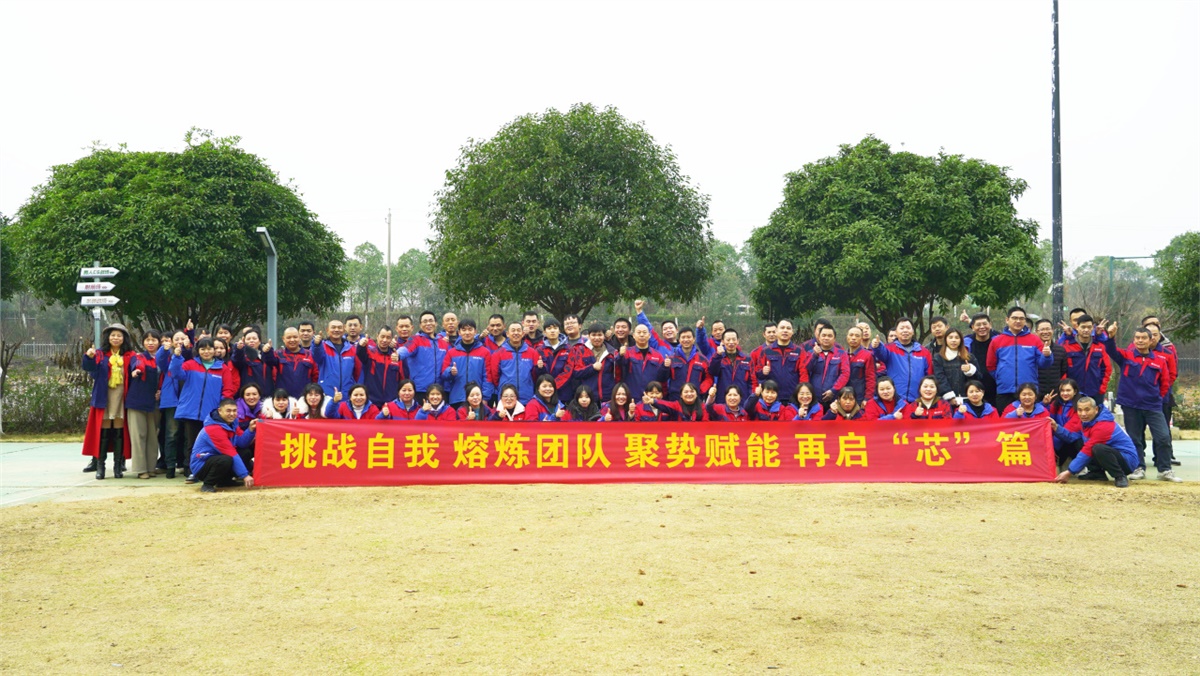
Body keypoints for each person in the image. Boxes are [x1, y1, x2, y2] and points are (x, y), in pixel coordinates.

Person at [1101, 322, 1180, 482]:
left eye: (1144, 338)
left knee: (1163, 437)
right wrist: (1111, 337)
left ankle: (1165, 470)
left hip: (1153, 406)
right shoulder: (1126, 356)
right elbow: (1111, 350)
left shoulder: (1160, 360)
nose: (1140, 340)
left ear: (1151, 341)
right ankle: (1138, 468)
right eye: (1137, 337)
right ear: (1134, 340)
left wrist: (1157, 398)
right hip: (1131, 405)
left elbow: (1165, 383)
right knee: (1134, 438)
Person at [82, 323, 134, 479]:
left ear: (124, 338)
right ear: (108, 338)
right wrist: (89, 357)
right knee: (103, 432)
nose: (116, 338)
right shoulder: (100, 354)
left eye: (119, 335)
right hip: (104, 397)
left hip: (122, 397)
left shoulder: (130, 356)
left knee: (119, 431)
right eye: (113, 335)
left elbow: (137, 371)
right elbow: (90, 370)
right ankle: (100, 466)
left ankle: (118, 466)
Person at [170, 337, 227, 477]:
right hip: (191, 412)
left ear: (214, 350)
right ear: (198, 350)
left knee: (210, 443)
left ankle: (206, 470)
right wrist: (176, 357)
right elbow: (176, 373)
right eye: (203, 349)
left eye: (209, 348)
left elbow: (227, 390)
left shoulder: (222, 368)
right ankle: (191, 471)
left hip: (211, 414)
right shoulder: (190, 364)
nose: (206, 352)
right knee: (191, 443)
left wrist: (220, 408)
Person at [1054, 397, 1140, 488]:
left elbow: (1087, 450)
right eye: (1080, 410)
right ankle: (1097, 473)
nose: (1083, 414)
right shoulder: (1086, 422)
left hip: (1127, 461)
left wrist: (1069, 472)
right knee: (1079, 441)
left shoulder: (1103, 425)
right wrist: (1056, 428)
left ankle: (1120, 476)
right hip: (1111, 454)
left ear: (1096, 409)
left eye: (1087, 410)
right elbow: (1072, 437)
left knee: (1097, 448)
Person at [986, 306, 1054, 414]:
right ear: (1007, 320)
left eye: (1022, 318)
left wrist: (1047, 356)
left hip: (1029, 391)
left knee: (1029, 421)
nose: (1018, 321)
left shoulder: (1034, 339)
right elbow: (990, 365)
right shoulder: (997, 341)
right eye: (1014, 318)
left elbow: (1044, 364)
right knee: (1006, 421)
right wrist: (1002, 378)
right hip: (1005, 391)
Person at [188, 398, 255, 494]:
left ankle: (225, 481)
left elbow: (241, 443)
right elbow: (231, 453)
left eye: (234, 411)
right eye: (228, 411)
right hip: (201, 465)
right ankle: (207, 484)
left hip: (216, 458)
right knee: (225, 459)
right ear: (220, 411)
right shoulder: (213, 429)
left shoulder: (232, 423)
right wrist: (245, 475)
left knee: (245, 452)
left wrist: (250, 429)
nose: (232, 414)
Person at [124, 329, 162, 479]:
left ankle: (151, 467)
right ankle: (141, 469)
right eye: (147, 340)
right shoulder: (138, 357)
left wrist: (160, 391)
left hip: (154, 403)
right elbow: (137, 366)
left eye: (154, 340)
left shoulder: (163, 358)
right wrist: (136, 371)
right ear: (143, 342)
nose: (150, 343)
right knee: (139, 435)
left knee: (153, 436)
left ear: (159, 342)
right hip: (137, 402)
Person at [870, 318, 933, 403]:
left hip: (917, 400)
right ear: (896, 332)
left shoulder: (924, 352)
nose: (905, 330)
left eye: (908, 328)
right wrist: (877, 346)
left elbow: (929, 375)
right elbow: (881, 353)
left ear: (913, 331)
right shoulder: (890, 349)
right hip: (895, 399)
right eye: (902, 328)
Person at [154, 329, 188, 475]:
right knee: (171, 434)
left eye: (182, 338)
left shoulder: (191, 355)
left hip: (187, 400)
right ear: (172, 342)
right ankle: (170, 466)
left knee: (187, 434)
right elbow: (159, 359)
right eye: (176, 339)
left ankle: (186, 464)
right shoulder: (168, 358)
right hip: (171, 400)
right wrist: (164, 349)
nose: (180, 341)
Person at [441, 318, 492, 407]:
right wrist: (450, 371)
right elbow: (443, 374)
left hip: (477, 398)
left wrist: (485, 397)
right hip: (457, 398)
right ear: (459, 332)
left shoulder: (484, 352)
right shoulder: (452, 352)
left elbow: (487, 377)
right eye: (464, 330)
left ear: (475, 331)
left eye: (470, 329)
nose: (467, 333)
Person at [487, 322, 542, 404]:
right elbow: (495, 376)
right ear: (507, 334)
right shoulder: (498, 353)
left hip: (527, 397)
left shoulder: (532, 352)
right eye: (513, 330)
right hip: (506, 398)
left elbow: (535, 375)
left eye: (518, 330)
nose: (516, 333)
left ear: (523, 333)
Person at [1060, 314, 1111, 401]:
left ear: (1093, 328)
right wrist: (1065, 388)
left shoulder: (1100, 346)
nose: (1086, 330)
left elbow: (1107, 369)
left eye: (1089, 327)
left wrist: (1102, 388)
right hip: (1073, 392)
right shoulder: (1067, 346)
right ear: (1077, 327)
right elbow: (1062, 369)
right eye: (1083, 327)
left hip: (1095, 392)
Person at [752, 319, 804, 404]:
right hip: (771, 397)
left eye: (788, 328)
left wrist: (801, 393)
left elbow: (803, 374)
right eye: (782, 328)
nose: (785, 330)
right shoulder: (766, 351)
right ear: (776, 331)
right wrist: (763, 372)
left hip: (793, 397)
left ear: (792, 332)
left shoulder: (799, 351)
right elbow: (757, 374)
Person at [566, 323, 619, 402]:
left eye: (599, 335)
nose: (597, 338)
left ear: (604, 336)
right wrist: (592, 368)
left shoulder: (612, 352)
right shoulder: (581, 350)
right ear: (588, 336)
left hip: (607, 397)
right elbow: (576, 372)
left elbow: (617, 374)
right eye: (593, 335)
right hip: (587, 397)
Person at [311, 318, 359, 402]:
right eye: (333, 327)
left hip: (347, 394)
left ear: (344, 330)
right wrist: (317, 345)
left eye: (339, 327)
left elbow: (357, 371)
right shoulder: (322, 346)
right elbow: (317, 357)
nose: (336, 330)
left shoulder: (351, 348)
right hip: (327, 394)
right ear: (327, 330)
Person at [619, 324, 670, 400]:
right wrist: (620, 355)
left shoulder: (657, 355)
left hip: (651, 397)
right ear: (634, 336)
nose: (642, 335)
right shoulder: (627, 353)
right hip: (632, 397)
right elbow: (619, 367)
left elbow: (662, 378)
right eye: (639, 332)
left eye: (644, 332)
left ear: (649, 335)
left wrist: (666, 367)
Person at [802, 325, 849, 406]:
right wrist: (815, 355)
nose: (826, 338)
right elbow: (807, 369)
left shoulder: (842, 354)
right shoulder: (810, 353)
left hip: (834, 398)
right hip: (813, 398)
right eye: (823, 335)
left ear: (834, 339)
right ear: (819, 338)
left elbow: (845, 374)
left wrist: (833, 390)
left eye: (829, 336)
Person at [357, 327, 403, 408]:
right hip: (371, 401)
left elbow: (402, 378)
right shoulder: (370, 353)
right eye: (382, 336)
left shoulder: (396, 356)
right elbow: (360, 353)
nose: (384, 340)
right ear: (377, 336)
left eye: (388, 338)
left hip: (391, 402)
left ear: (391, 340)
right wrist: (361, 345)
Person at [664, 327, 712, 403]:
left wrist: (700, 390)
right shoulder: (671, 359)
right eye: (683, 337)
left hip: (695, 400)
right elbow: (662, 378)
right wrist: (664, 367)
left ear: (694, 339)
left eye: (689, 337)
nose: (686, 340)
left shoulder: (703, 360)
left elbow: (709, 378)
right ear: (679, 340)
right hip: (675, 400)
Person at [962, 312, 1000, 405]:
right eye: (978, 325)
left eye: (984, 324)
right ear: (972, 327)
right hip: (974, 389)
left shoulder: (998, 340)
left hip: (996, 387)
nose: (982, 327)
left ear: (990, 325)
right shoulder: (966, 343)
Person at [932, 328, 979, 403]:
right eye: (950, 337)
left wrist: (970, 370)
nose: (953, 340)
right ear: (946, 339)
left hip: (967, 399)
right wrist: (950, 396)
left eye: (957, 338)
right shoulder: (938, 358)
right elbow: (940, 378)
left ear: (961, 340)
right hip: (946, 400)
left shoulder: (969, 357)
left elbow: (979, 377)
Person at [707, 328, 753, 402]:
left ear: (738, 341)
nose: (731, 342)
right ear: (723, 341)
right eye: (728, 340)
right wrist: (718, 355)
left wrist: (751, 399)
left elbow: (752, 381)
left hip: (742, 400)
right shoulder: (718, 358)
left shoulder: (747, 359)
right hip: (723, 400)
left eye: (734, 339)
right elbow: (712, 372)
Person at [1049, 379, 1084, 469]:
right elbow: (1045, 418)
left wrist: (1051, 449)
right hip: (1059, 439)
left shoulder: (1080, 407)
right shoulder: (1056, 403)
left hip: (1072, 441)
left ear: (1075, 391)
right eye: (1062, 390)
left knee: (1077, 442)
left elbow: (1071, 434)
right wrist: (1044, 404)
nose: (1065, 393)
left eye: (1068, 390)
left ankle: (1080, 466)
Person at [275, 327, 319, 399]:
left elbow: (316, 377)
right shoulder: (277, 355)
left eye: (295, 337)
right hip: (283, 399)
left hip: (305, 398)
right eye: (289, 337)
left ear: (299, 337)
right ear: (283, 339)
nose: (292, 340)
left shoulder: (310, 355)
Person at [231, 328, 276, 396]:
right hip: (248, 396)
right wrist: (239, 350)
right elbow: (237, 360)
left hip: (266, 396)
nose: (251, 341)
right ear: (244, 341)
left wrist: (268, 352)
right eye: (248, 339)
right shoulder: (242, 357)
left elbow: (272, 362)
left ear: (259, 341)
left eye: (254, 338)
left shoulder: (265, 356)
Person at [537, 318, 573, 402]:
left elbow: (568, 371)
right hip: (545, 393)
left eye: (555, 328)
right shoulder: (539, 350)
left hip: (564, 392)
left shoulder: (568, 349)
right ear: (544, 332)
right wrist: (540, 368)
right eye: (549, 329)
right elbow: (538, 374)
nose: (552, 331)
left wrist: (553, 386)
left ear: (559, 330)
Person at [1034, 319, 1068, 401]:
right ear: (1036, 332)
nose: (1045, 332)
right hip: (1036, 393)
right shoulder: (1032, 349)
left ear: (1052, 330)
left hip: (1055, 393)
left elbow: (1063, 370)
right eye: (1042, 329)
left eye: (1048, 329)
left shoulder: (1060, 350)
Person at [844, 326, 876, 406]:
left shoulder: (867, 355)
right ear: (847, 337)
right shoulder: (842, 355)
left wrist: (867, 398)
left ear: (861, 339)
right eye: (851, 335)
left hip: (859, 397)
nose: (853, 338)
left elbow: (871, 379)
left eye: (857, 336)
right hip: (844, 397)